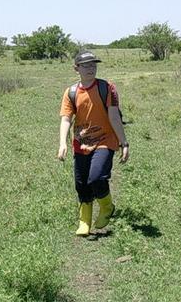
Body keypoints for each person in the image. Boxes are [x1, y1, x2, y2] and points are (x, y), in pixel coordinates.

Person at [58, 50, 129, 236]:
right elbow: (66, 119)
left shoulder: (107, 88)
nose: (91, 68)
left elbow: (114, 116)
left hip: (106, 140)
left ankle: (107, 207)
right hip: (81, 143)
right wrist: (62, 143)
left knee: (96, 178)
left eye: (94, 65)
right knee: (81, 184)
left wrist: (124, 142)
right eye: (86, 65)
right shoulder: (71, 92)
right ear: (76, 68)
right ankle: (84, 221)